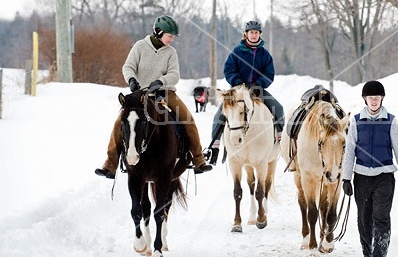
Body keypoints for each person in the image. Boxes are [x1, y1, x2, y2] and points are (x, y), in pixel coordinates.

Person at [94, 15, 213, 179]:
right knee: (120, 122)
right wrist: (132, 80)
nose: (172, 40)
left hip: (165, 93)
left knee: (187, 118)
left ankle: (199, 160)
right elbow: (128, 67)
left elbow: (175, 74)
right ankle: (110, 164)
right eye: (170, 36)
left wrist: (160, 81)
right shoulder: (140, 46)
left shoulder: (171, 52)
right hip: (141, 94)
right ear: (158, 32)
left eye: (173, 37)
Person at [341, 80, 398, 257]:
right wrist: (346, 178)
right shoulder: (356, 121)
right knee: (364, 219)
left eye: (377, 97)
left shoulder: (390, 121)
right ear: (365, 99)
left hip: (384, 176)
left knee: (381, 216)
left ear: (382, 98)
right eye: (370, 97)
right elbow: (349, 152)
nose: (374, 101)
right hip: (362, 178)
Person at [203, 20, 284, 165]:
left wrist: (258, 85)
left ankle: (281, 140)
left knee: (278, 108)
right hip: (238, 90)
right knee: (219, 114)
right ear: (246, 34)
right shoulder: (237, 52)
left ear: (259, 34)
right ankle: (214, 148)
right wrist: (238, 82)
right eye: (251, 32)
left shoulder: (264, 54)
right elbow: (229, 69)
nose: (254, 35)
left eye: (256, 32)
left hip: (257, 90)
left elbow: (269, 74)